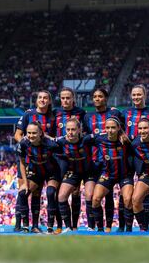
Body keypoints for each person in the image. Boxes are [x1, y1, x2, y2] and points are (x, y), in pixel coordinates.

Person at [14, 90, 62, 234]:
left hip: (47, 159)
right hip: (29, 159)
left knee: (40, 193)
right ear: (36, 100)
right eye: (40, 97)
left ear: (49, 101)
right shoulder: (28, 114)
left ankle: (40, 225)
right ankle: (19, 224)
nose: (42, 100)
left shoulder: (54, 116)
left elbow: (54, 138)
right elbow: (18, 134)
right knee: (24, 190)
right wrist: (28, 144)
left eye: (45, 98)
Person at [122, 84, 149, 230]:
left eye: (139, 94)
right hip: (128, 154)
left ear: (144, 95)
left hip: (142, 155)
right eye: (134, 95)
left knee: (142, 191)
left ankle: (144, 226)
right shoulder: (125, 112)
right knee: (125, 190)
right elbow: (117, 127)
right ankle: (127, 226)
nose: (136, 97)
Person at [83, 88, 122, 232]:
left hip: (111, 161)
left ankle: (108, 226)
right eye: (94, 97)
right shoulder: (88, 117)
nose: (97, 99)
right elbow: (86, 137)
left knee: (109, 194)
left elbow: (121, 130)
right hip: (94, 161)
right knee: (92, 194)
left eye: (100, 96)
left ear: (105, 98)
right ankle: (92, 226)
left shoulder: (114, 113)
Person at [91, 117, 135, 232]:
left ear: (118, 128)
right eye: (108, 128)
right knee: (95, 199)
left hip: (124, 175)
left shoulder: (126, 140)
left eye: (113, 128)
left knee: (127, 199)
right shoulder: (99, 139)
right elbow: (84, 140)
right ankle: (100, 230)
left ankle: (128, 230)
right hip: (107, 174)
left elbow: (140, 140)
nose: (110, 130)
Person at [54, 87, 86, 230]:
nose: (65, 100)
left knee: (76, 192)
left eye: (68, 98)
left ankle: (74, 225)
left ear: (73, 98)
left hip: (77, 157)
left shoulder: (81, 113)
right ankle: (61, 226)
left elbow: (87, 132)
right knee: (58, 194)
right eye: (63, 98)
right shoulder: (55, 113)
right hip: (59, 158)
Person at [55, 118, 95, 233]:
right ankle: (68, 227)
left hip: (88, 172)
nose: (70, 132)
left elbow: (102, 137)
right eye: (68, 129)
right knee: (61, 196)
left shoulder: (86, 139)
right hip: (73, 172)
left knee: (89, 195)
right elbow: (48, 141)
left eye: (73, 129)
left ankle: (91, 227)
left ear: (79, 130)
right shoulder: (62, 141)